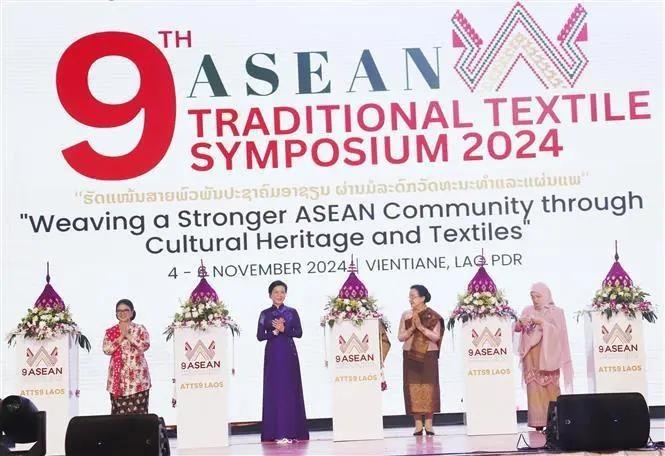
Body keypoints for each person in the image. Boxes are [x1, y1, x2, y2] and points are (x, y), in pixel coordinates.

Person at [514, 282, 573, 430]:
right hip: (531, 356)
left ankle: (554, 420)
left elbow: (559, 334)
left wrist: (542, 322)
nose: (535, 300)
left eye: (538, 296)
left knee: (550, 387)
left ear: (546, 295)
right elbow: (517, 329)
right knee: (534, 388)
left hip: (548, 355)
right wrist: (519, 323)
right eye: (532, 296)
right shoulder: (527, 310)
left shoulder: (556, 312)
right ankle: (537, 422)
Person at [256, 280, 309, 443]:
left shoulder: (292, 312)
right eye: (276, 292)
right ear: (270, 295)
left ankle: (293, 431)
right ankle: (275, 432)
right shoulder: (265, 313)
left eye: (282, 292)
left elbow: (299, 333)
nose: (279, 295)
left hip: (288, 354)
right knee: (275, 390)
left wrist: (285, 330)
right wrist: (274, 332)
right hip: (273, 355)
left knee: (289, 389)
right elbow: (260, 336)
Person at [398, 285, 444, 436]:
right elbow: (400, 337)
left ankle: (429, 425)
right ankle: (418, 425)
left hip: (428, 354)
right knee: (413, 387)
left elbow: (436, 337)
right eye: (409, 296)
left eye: (413, 296)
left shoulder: (432, 316)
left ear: (423, 298)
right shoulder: (406, 315)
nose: (410, 299)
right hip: (410, 354)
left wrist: (421, 328)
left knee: (429, 387)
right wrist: (412, 328)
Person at [102, 299, 151, 414]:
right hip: (117, 381)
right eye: (119, 311)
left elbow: (144, 346)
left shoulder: (140, 329)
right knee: (119, 419)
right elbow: (107, 349)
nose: (122, 313)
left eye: (126, 310)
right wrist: (120, 337)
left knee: (139, 418)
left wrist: (128, 336)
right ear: (115, 313)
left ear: (132, 312)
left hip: (138, 380)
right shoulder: (111, 331)